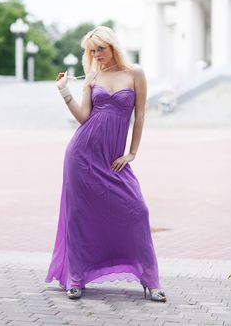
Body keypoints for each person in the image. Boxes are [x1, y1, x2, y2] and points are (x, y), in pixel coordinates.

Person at [45, 26, 167, 302]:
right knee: (80, 216)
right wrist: (65, 92)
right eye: (91, 51)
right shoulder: (92, 77)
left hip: (113, 158)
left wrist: (132, 153)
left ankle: (150, 279)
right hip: (82, 154)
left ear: (112, 46)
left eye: (100, 48)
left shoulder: (135, 72)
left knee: (137, 211)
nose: (96, 55)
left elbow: (141, 115)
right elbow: (84, 116)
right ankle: (76, 278)